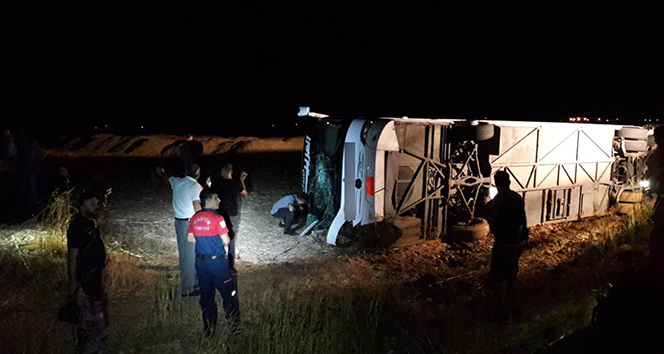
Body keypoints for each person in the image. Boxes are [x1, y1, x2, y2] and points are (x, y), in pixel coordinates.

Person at [187, 189, 240, 335]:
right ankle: (234, 325)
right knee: (229, 294)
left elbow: (190, 239)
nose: (219, 201)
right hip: (217, 264)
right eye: (216, 198)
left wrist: (205, 237)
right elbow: (226, 240)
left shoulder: (195, 217)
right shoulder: (218, 218)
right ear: (208, 200)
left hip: (200, 263)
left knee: (206, 296)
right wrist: (225, 234)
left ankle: (209, 328)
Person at [484, 170, 528, 322]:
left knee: (496, 280)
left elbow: (489, 212)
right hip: (519, 242)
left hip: (504, 244)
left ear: (497, 184)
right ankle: (516, 308)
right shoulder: (517, 197)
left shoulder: (500, 200)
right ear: (509, 182)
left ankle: (501, 314)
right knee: (511, 278)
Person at [66, 193, 108, 353]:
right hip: (85, 276)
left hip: (95, 273)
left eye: (96, 203)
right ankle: (88, 347)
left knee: (95, 308)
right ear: (82, 205)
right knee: (87, 312)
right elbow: (72, 255)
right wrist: (72, 280)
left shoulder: (89, 223)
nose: (96, 206)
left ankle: (94, 340)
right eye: (92, 203)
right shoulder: (76, 226)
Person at [157, 163, 203, 296]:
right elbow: (196, 204)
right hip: (190, 223)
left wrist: (162, 171)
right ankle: (188, 288)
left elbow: (168, 177)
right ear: (198, 175)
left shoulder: (177, 182)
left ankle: (189, 283)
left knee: (184, 255)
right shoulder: (196, 187)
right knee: (190, 256)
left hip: (179, 222)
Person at [211, 162, 248, 271]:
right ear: (231, 172)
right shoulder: (235, 183)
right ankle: (231, 265)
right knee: (231, 238)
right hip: (233, 213)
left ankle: (218, 260)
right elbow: (245, 193)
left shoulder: (216, 183)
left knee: (218, 236)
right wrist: (242, 181)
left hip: (220, 213)